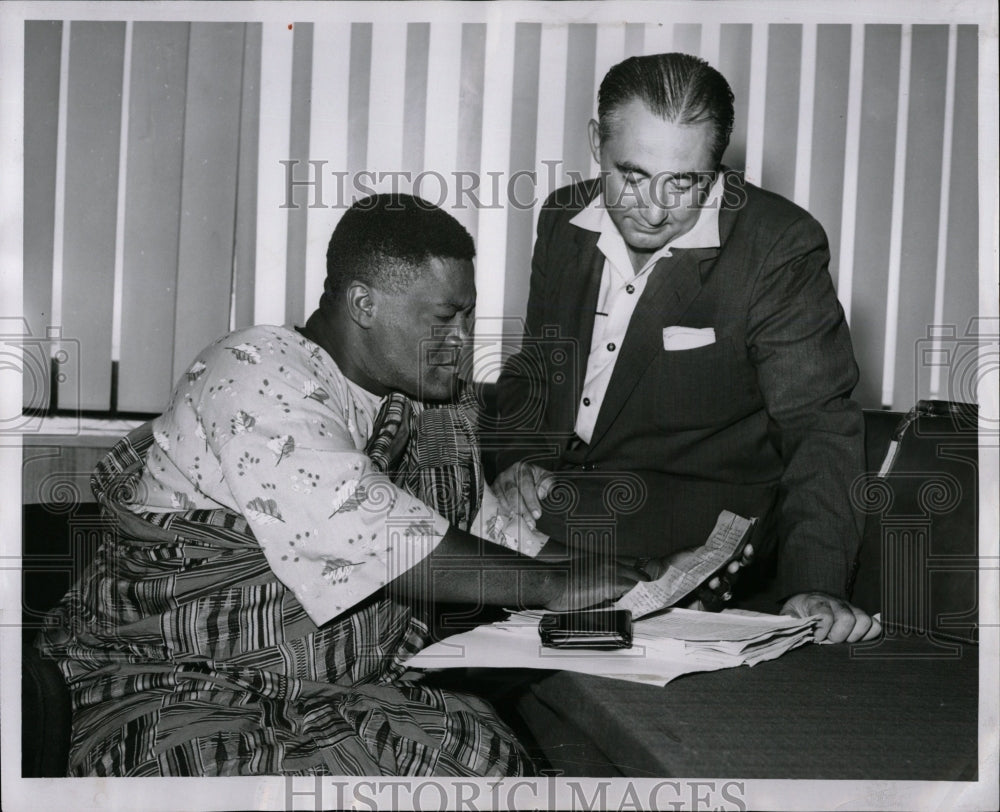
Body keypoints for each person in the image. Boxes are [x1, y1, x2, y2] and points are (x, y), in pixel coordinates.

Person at [36, 194, 649, 777]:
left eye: (468, 314)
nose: (463, 340)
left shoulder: (426, 405)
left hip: (328, 694)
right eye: (445, 317)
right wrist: (555, 583)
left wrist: (642, 581)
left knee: (487, 762)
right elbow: (372, 530)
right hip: (176, 683)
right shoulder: (254, 369)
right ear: (364, 303)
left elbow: (486, 530)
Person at [494, 53, 880, 644]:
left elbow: (819, 425)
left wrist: (817, 582)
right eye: (632, 174)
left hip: (691, 539)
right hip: (562, 513)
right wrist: (517, 462)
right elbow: (541, 371)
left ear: (716, 167)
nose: (653, 209)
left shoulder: (777, 246)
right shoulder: (561, 218)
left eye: (685, 181)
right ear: (597, 141)